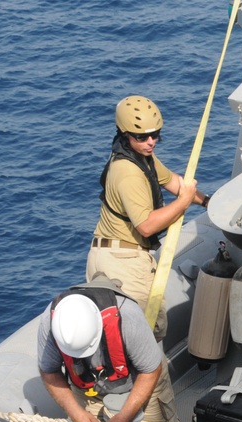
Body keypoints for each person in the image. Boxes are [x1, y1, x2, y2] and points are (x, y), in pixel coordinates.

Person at [37, 277, 193, 422]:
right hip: (88, 388)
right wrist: (78, 414)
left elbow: (150, 370)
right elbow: (49, 371)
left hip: (142, 379)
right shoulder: (51, 322)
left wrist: (125, 416)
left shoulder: (127, 317)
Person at [88, 95, 209, 341]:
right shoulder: (129, 173)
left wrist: (207, 201)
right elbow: (146, 226)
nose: (150, 142)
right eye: (142, 137)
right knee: (143, 339)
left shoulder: (142, 157)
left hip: (110, 255)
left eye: (155, 135)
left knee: (124, 338)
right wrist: (183, 203)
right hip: (123, 263)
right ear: (125, 135)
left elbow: (174, 182)